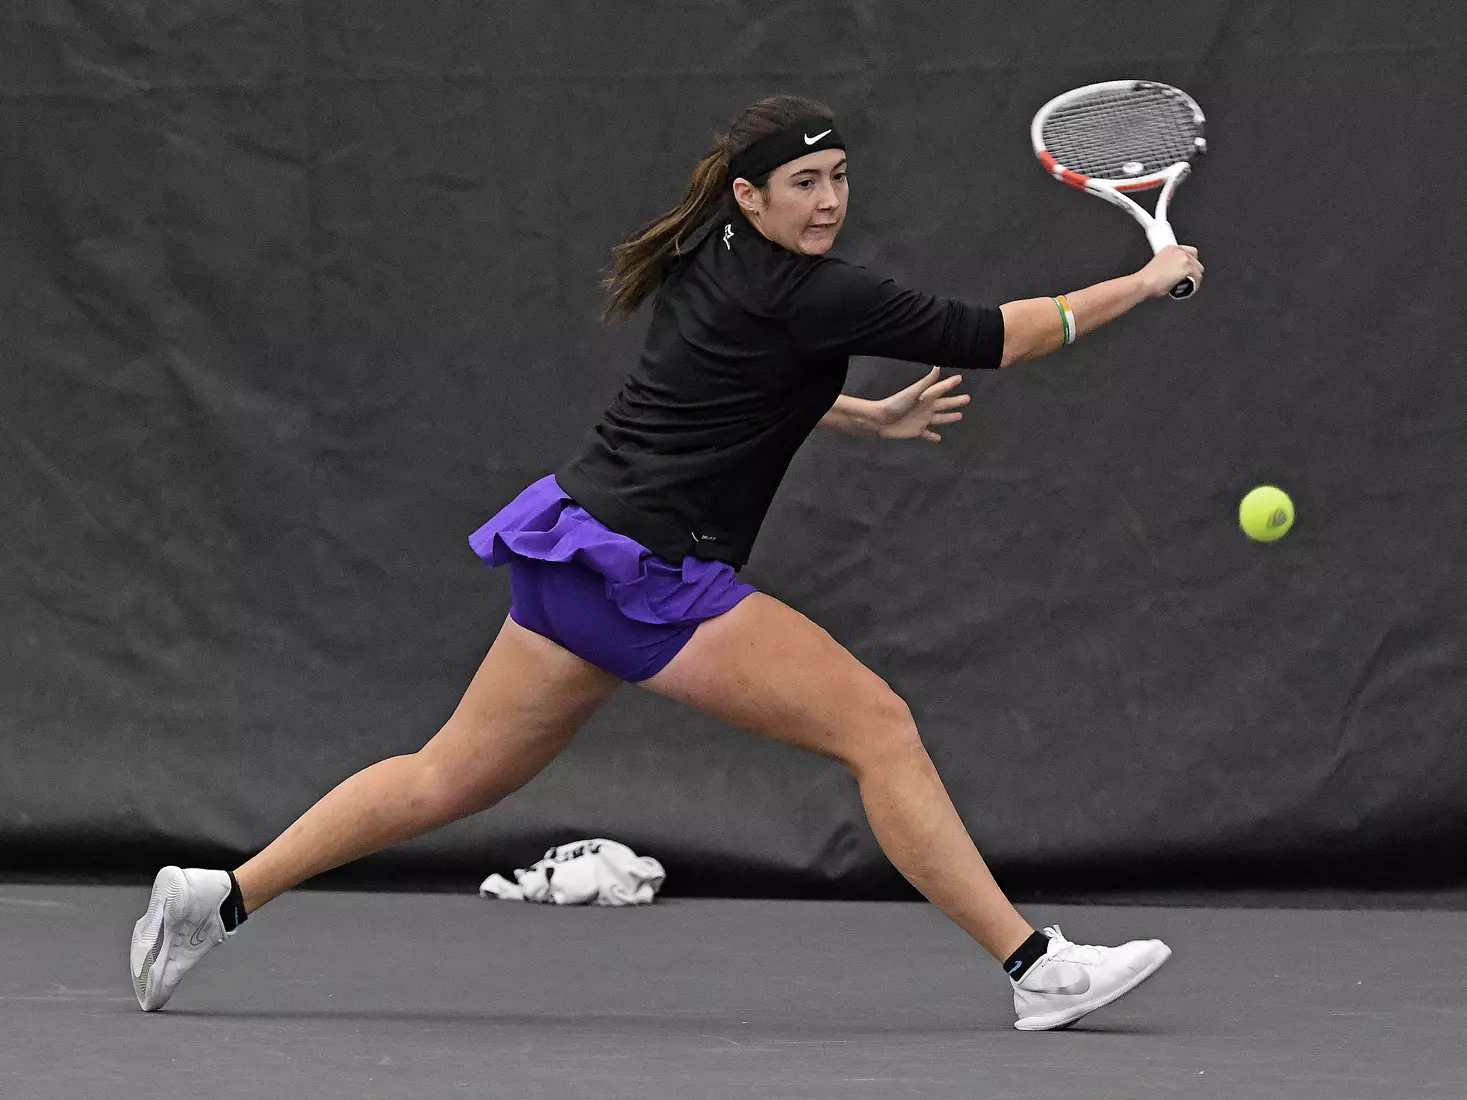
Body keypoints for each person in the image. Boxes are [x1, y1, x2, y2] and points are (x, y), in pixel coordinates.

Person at [130, 94, 1204, 1031]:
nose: (828, 201)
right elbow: (1006, 334)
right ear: (749, 196)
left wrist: (860, 414)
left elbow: (739, 389)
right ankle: (1037, 967)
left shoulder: (714, 257)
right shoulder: (818, 294)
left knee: (443, 777)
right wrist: (1147, 281)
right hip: (648, 573)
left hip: (572, 548)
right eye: (803, 183)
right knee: (878, 726)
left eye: (838, 177)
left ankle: (214, 897)